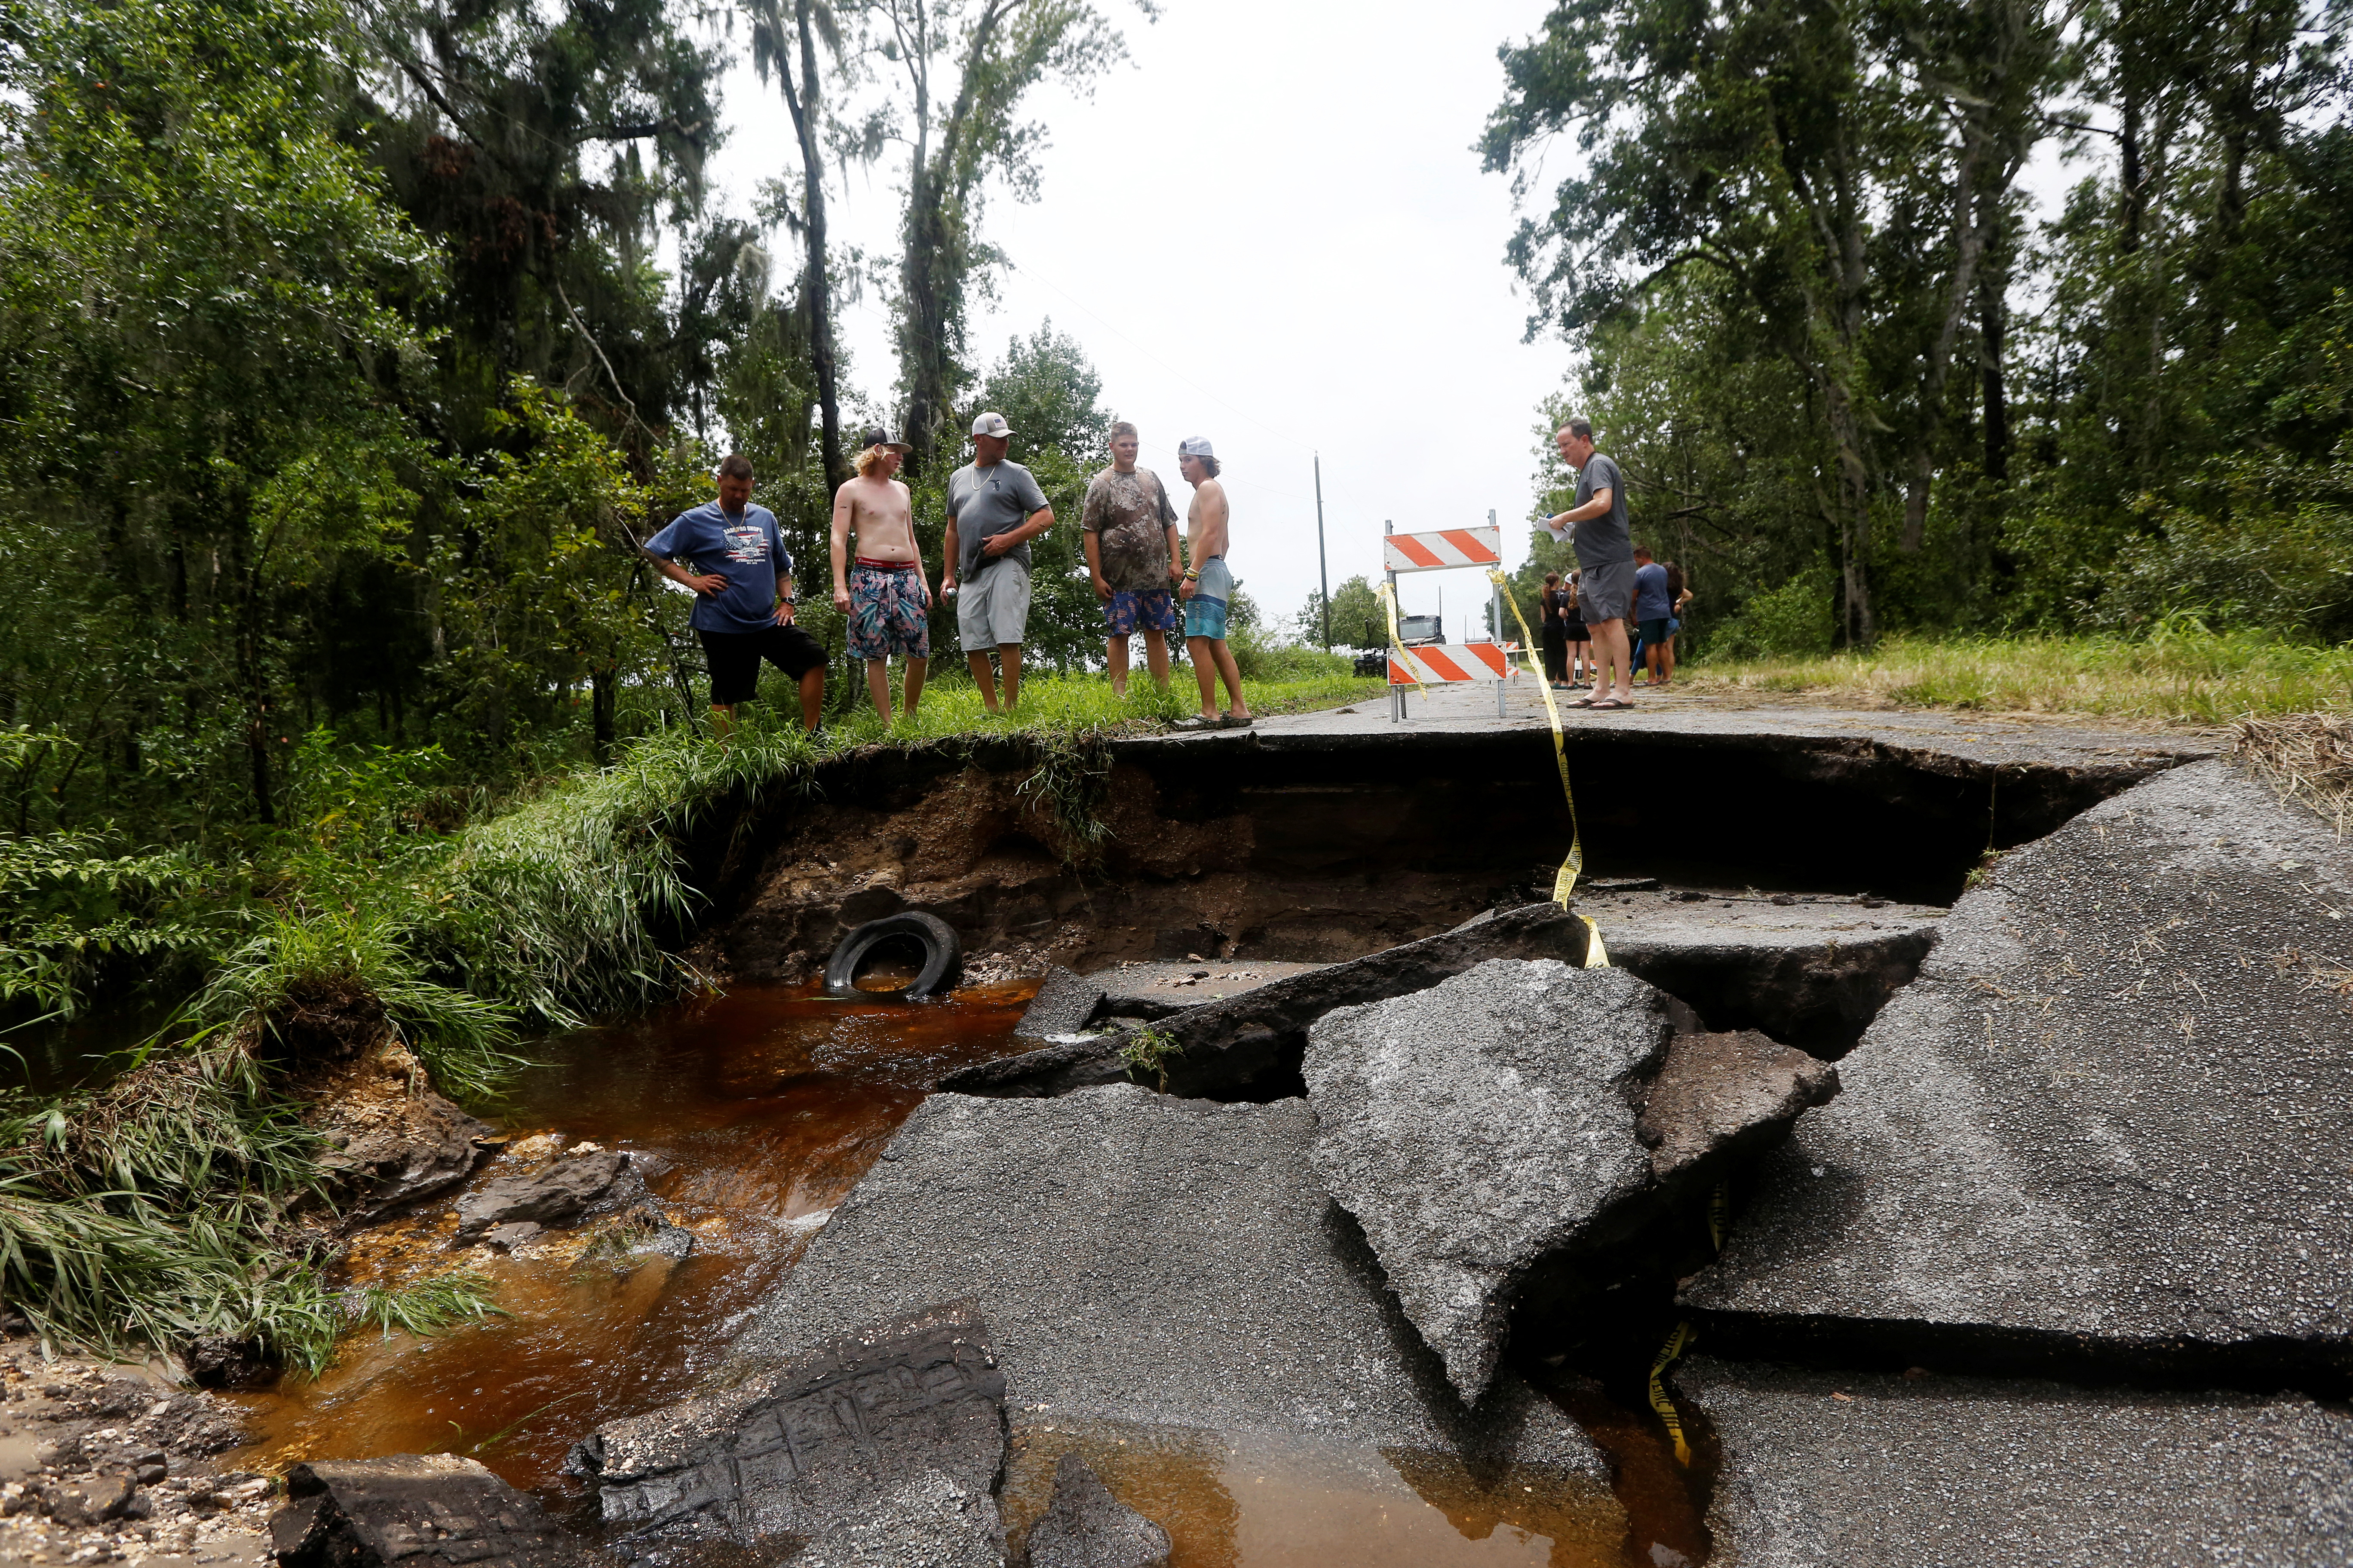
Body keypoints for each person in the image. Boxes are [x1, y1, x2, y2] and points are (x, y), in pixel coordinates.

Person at [643, 453, 825, 736]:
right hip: (721, 621)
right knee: (726, 693)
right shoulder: (695, 520)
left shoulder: (765, 518)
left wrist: (787, 601)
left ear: (752, 485)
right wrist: (692, 581)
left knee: (814, 658)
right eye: (732, 489)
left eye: (745, 490)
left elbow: (781, 569)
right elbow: (654, 551)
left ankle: (814, 734)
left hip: (767, 620)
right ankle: (728, 760)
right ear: (719, 481)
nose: (739, 495)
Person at [942, 411, 1055, 714]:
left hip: (1008, 562)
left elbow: (1045, 517)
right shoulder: (958, 478)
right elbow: (952, 530)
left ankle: (1011, 708)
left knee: (1006, 635)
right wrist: (948, 577)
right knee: (972, 641)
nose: (1005, 443)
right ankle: (992, 709)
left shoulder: (1017, 473)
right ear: (979, 440)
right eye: (998, 438)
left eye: (1007, 438)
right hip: (971, 572)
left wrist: (1009, 539)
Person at [830, 424, 930, 725]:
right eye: (895, 451)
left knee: (920, 651)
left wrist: (922, 581)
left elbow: (911, 539)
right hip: (869, 578)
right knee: (876, 654)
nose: (900, 458)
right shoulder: (850, 489)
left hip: (906, 577)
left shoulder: (902, 490)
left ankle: (909, 718)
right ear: (877, 451)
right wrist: (840, 587)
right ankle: (888, 725)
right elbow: (838, 538)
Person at [1540, 420, 1637, 710]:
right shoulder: (1586, 472)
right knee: (1594, 625)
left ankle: (1623, 691)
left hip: (1610, 560)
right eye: (1559, 446)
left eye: (1566, 445)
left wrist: (1566, 517)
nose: (1562, 451)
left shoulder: (1597, 465)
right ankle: (1601, 688)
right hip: (1591, 564)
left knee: (1611, 622)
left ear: (1584, 440)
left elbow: (1603, 503)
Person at [1080, 421, 1182, 697]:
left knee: (1157, 632)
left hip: (1156, 575)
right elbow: (1090, 531)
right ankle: (1120, 697)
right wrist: (1096, 576)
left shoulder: (1151, 478)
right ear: (1112, 446)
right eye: (1124, 445)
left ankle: (1162, 696)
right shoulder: (1102, 483)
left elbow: (1169, 522)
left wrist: (1177, 561)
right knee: (1119, 634)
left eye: (1133, 444)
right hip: (1119, 579)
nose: (1129, 449)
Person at [1175, 436, 1251, 729]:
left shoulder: (1207, 488)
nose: (1182, 466)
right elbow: (1225, 540)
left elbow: (1209, 534)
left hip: (1207, 570)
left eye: (1188, 460)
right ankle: (1239, 709)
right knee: (1216, 643)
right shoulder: (1212, 491)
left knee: (1197, 642)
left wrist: (1193, 573)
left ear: (1204, 461)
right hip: (1216, 567)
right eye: (1180, 460)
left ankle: (1209, 713)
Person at [1632, 546, 1672, 687]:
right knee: (1662, 645)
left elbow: (1634, 596)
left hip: (1648, 612)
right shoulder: (1663, 571)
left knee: (1650, 646)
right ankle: (1667, 677)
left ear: (1642, 557)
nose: (1636, 562)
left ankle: (1652, 678)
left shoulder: (1640, 574)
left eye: (1636, 559)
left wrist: (1633, 612)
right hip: (1664, 611)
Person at [1538, 570, 1571, 687]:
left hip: (1547, 629)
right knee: (1562, 654)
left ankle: (1551, 681)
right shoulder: (1561, 596)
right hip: (1560, 627)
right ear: (1557, 582)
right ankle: (1564, 681)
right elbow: (1564, 613)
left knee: (1549, 654)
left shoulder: (1544, 599)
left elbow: (1543, 618)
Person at [1562, 569, 1594, 686]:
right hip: (1584, 626)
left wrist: (1567, 618)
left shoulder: (1567, 596)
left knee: (1571, 655)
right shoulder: (1587, 594)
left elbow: (1561, 612)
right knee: (1585, 655)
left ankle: (1571, 683)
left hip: (1571, 627)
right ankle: (1587, 682)